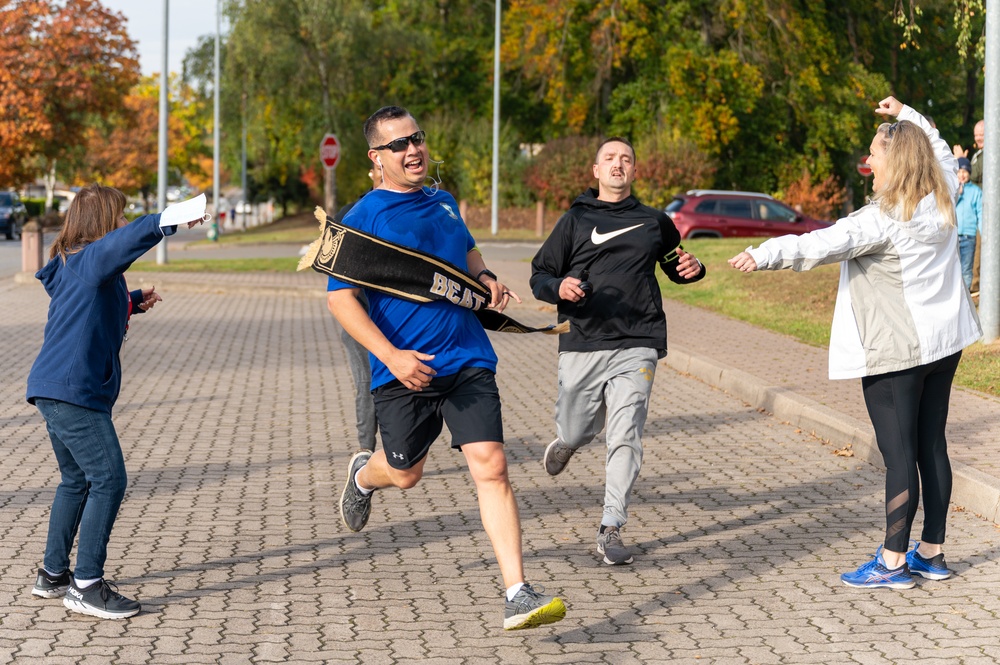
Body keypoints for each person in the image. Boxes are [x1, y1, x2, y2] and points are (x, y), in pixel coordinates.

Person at [326, 105, 566, 630]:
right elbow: (341, 301)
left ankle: (517, 592)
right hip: (403, 371)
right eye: (398, 145)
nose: (413, 150)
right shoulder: (359, 220)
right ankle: (365, 478)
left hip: (467, 358)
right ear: (376, 157)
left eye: (417, 139)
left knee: (492, 466)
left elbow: (468, 250)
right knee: (406, 474)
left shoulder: (444, 202)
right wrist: (391, 357)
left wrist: (486, 276)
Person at [729, 97, 982, 589]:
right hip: (945, 348)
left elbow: (817, 243)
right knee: (931, 447)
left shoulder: (882, 219)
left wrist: (762, 254)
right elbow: (938, 148)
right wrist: (906, 110)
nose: (869, 163)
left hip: (898, 355)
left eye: (875, 154)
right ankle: (930, 553)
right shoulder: (943, 194)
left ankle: (892, 563)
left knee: (899, 456)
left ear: (897, 161)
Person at [27, 184, 203, 618]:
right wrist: (169, 219)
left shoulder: (75, 264)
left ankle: (53, 576)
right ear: (103, 224)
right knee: (109, 479)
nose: (124, 224)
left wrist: (130, 303)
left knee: (77, 480)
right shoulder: (93, 257)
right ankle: (86, 585)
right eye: (120, 217)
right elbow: (126, 241)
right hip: (75, 394)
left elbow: (87, 305)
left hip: (54, 389)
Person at [529, 137, 705, 566]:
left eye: (626, 158)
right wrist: (560, 287)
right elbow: (540, 274)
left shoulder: (655, 222)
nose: (618, 164)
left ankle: (612, 526)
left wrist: (693, 270)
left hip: (638, 340)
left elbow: (674, 266)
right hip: (584, 339)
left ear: (634, 171)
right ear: (596, 170)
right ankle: (570, 441)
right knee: (575, 424)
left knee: (626, 431)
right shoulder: (574, 219)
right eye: (610, 158)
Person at [335, 162, 382, 453]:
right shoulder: (351, 214)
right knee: (367, 385)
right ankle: (366, 452)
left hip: (402, 321)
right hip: (360, 319)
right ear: (372, 170)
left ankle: (400, 448)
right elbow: (328, 266)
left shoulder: (417, 210)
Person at [954, 119, 985, 294]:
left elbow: (975, 175)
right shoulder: (978, 154)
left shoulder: (989, 154)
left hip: (973, 228)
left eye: (981, 134)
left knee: (972, 262)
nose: (978, 137)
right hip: (958, 232)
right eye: (976, 134)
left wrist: (961, 160)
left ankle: (973, 291)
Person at [955, 156, 983, 291]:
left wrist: (984, 233)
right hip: (953, 236)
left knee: (966, 269)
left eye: (965, 171)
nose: (961, 175)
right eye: (959, 171)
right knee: (953, 268)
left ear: (969, 173)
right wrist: (958, 194)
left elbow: (981, 213)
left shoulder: (976, 191)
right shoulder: (952, 189)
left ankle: (965, 296)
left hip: (969, 237)